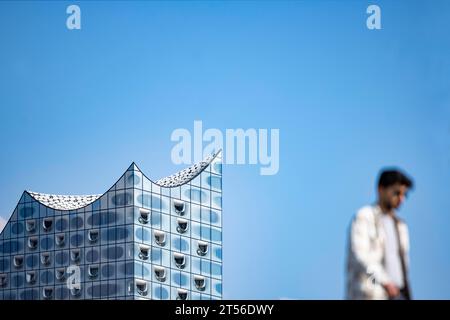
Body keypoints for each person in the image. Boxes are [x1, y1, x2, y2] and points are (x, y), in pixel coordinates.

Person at [346, 169, 414, 300]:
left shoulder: (400, 226)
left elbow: (403, 267)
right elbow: (360, 257)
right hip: (369, 294)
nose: (401, 199)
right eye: (396, 193)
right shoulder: (364, 217)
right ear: (381, 189)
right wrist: (384, 281)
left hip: (397, 295)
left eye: (404, 195)